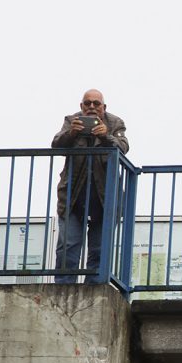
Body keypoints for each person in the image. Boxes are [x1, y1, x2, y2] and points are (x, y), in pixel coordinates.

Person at [51, 89, 130, 284]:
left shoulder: (115, 123)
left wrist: (106, 137)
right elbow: (56, 145)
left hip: (105, 198)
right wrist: (72, 134)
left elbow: (123, 147)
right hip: (73, 196)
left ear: (104, 107)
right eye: (88, 103)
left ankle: (94, 289)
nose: (92, 107)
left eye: (96, 103)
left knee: (99, 249)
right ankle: (63, 290)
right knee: (68, 247)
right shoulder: (72, 121)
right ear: (81, 106)